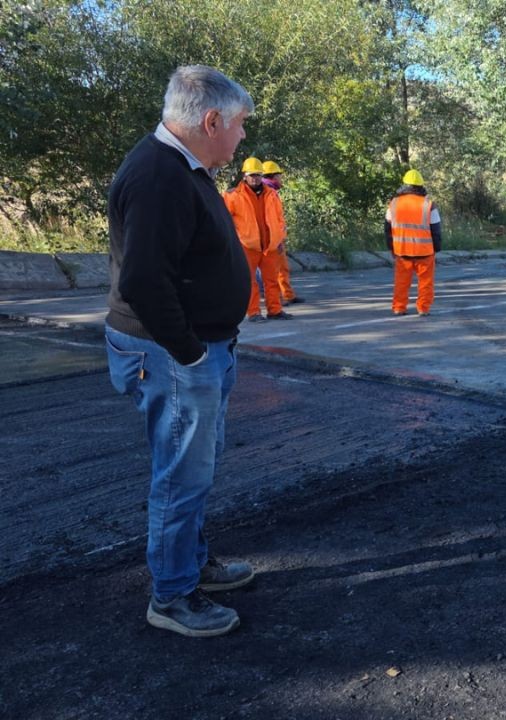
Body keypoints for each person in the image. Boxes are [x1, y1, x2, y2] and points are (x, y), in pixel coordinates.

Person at [105, 65, 256, 637]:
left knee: (196, 467)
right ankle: (171, 596)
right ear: (211, 120)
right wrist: (192, 354)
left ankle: (190, 566)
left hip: (191, 348)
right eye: (240, 126)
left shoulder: (182, 167)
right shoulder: (159, 176)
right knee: (181, 476)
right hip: (173, 354)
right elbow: (144, 281)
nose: (243, 138)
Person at [224, 156, 292, 321]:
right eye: (252, 175)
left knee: (272, 280)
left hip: (270, 245)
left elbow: (280, 219)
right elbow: (224, 219)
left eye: (258, 175)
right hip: (247, 245)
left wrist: (280, 239)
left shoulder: (272, 195)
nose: (255, 178)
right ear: (244, 176)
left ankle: (274, 310)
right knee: (250, 281)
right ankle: (253, 312)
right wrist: (231, 241)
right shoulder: (233, 196)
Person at [385, 169, 442, 316]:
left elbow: (388, 229)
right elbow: (436, 229)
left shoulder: (394, 203)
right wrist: (437, 248)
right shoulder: (429, 204)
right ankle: (423, 308)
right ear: (421, 185)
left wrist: (391, 248)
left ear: (404, 184)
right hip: (425, 252)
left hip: (402, 251)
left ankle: (399, 307)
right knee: (425, 282)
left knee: (401, 282)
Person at [261, 160, 304, 306]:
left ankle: (287, 295)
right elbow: (269, 218)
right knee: (272, 270)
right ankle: (278, 298)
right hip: (272, 239)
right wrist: (274, 239)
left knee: (282, 268)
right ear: (273, 176)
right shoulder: (266, 193)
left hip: (276, 237)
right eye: (279, 175)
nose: (281, 179)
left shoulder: (270, 192)